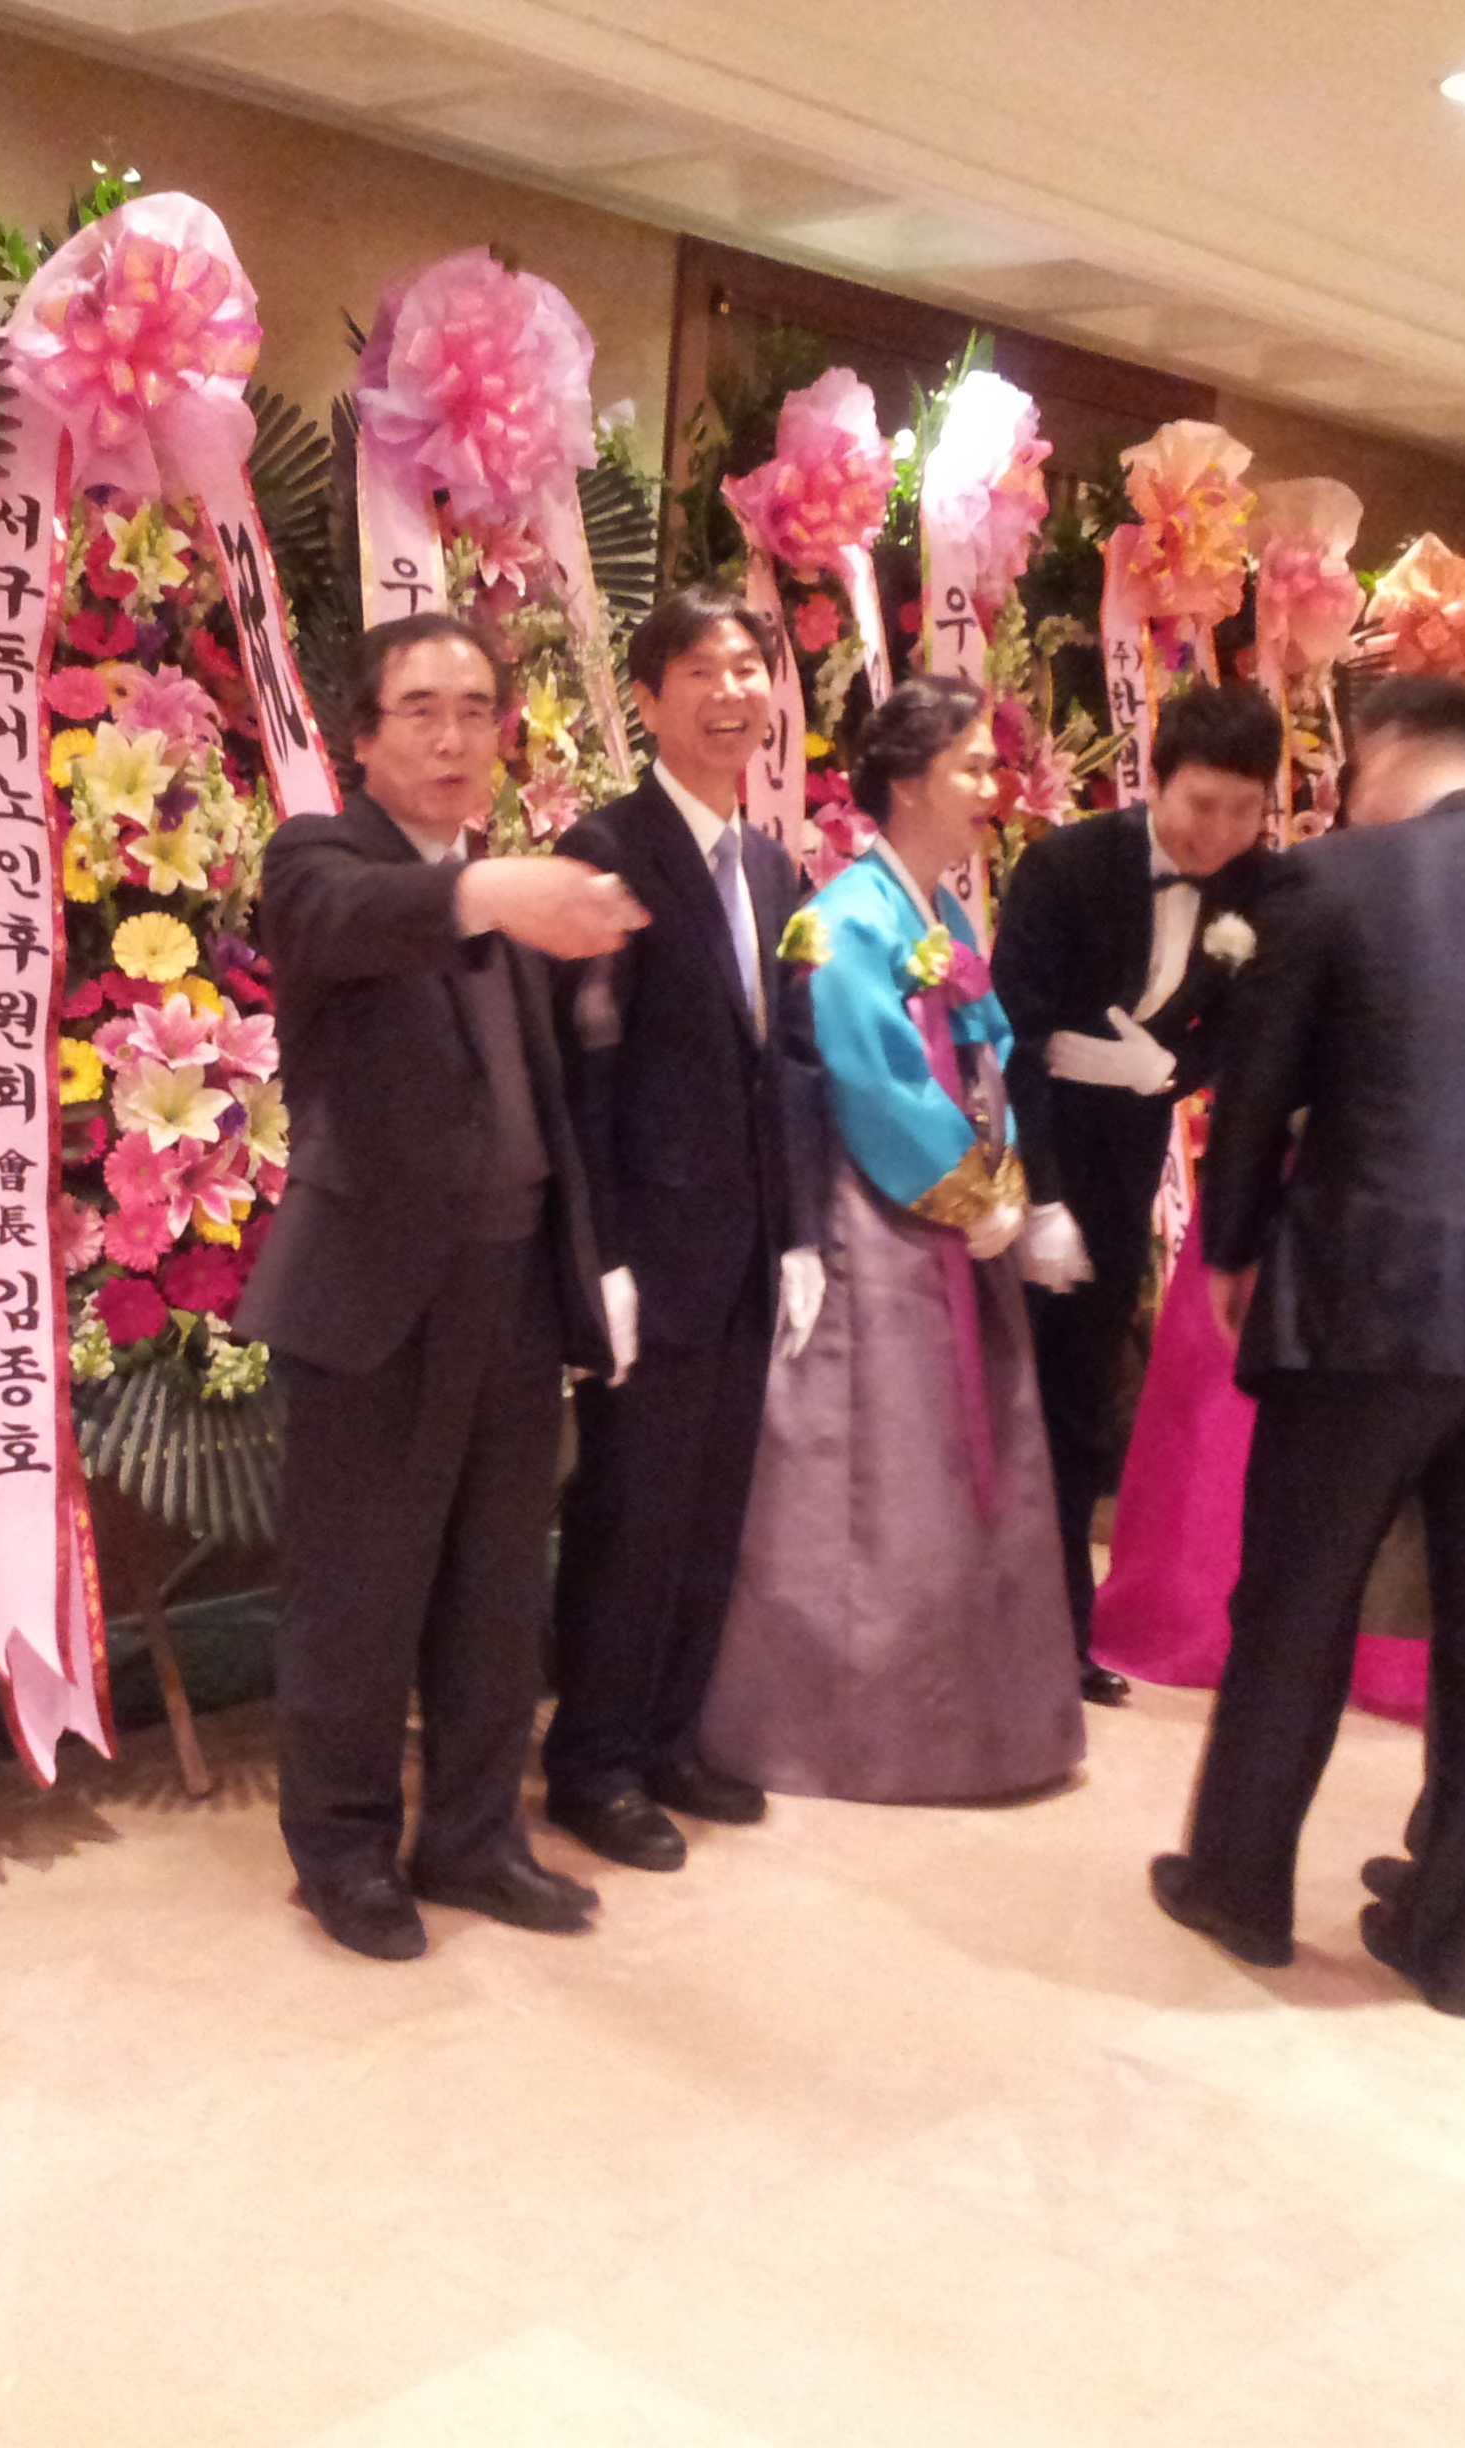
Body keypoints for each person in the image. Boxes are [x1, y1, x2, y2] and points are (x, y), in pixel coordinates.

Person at [1150, 676, 1465, 2018]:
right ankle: (1454, 1941)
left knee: (1297, 1603)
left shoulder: (1333, 879)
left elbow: (1258, 1092)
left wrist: (1233, 1251)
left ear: (1393, 752)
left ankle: (1240, 1886)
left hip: (1367, 1301)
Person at [238, 612, 645, 1962]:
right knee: (359, 1592)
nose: (455, 735)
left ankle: (474, 1839)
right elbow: (350, 920)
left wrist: (593, 1267)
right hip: (376, 1297)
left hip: (513, 1285)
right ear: (362, 736)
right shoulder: (323, 860)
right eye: (421, 709)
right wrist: (489, 895)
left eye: (477, 709)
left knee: (494, 1587)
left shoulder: (500, 887)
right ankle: (344, 1852)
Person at [701, 674, 1087, 1805]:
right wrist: (969, 1190)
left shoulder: (940, 913)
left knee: (962, 1468)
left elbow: (991, 1049)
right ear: (908, 783)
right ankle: (853, 1729)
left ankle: (973, 1721)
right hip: (879, 1223)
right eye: (971, 767)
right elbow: (868, 1079)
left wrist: (1006, 1175)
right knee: (880, 1472)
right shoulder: (844, 916)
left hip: (957, 1216)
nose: (991, 787)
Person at [541, 591, 824, 1872]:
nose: (731, 692)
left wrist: (801, 1233)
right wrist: (597, 1257)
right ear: (648, 700)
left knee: (713, 1515)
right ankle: (592, 1764)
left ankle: (669, 1737)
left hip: (749, 1254)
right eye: (699, 671)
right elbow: (585, 1076)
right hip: (650, 1260)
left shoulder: (771, 867)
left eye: (749, 668)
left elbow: (792, 1067)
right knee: (632, 1516)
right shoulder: (606, 851)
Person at [995, 680, 1285, 1707]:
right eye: (1201, 803)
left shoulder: (1260, 888)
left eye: (1244, 809)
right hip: (1025, 1160)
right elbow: (1012, 1037)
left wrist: (1172, 1073)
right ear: (1155, 782)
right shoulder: (1067, 867)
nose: (1219, 831)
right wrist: (1041, 1198)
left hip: (1123, 1167)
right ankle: (987, 1631)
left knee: (1081, 1402)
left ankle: (1063, 1637)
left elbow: (1251, 1023)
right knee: (1006, 1401)